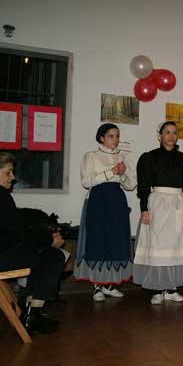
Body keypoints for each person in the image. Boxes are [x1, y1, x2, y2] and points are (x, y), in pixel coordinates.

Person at [0, 150, 65, 334]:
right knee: (53, 256)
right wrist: (49, 240)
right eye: (7, 172)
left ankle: (29, 311)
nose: (13, 177)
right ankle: (32, 316)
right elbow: (19, 234)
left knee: (38, 254)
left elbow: (12, 224)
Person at [133, 122, 183, 305]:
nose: (170, 136)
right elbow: (143, 186)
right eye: (167, 132)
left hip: (178, 203)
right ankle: (158, 288)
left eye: (174, 133)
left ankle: (172, 288)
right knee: (158, 245)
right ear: (159, 135)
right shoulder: (149, 158)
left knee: (176, 245)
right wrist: (144, 208)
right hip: (158, 204)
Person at [74, 124, 136, 301]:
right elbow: (87, 182)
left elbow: (130, 185)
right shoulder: (91, 156)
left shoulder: (122, 157)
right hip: (98, 201)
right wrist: (112, 172)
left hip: (117, 201)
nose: (115, 140)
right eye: (111, 136)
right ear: (101, 137)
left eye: (117, 136)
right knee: (98, 239)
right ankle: (97, 286)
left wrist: (122, 175)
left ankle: (109, 284)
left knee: (115, 240)